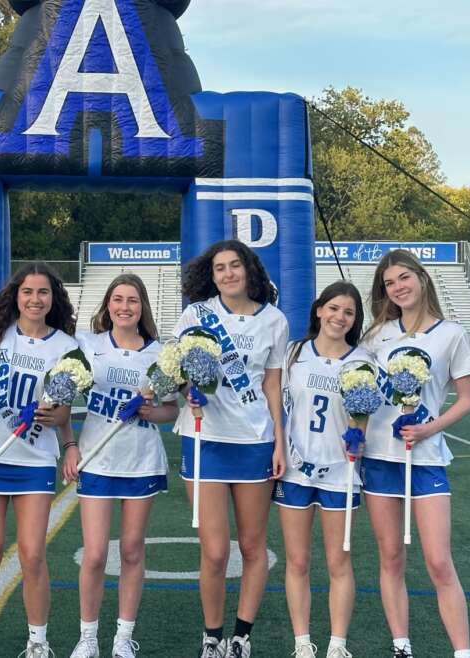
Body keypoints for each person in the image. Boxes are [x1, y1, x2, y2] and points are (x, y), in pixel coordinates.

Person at [359, 249, 470, 658]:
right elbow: (361, 392)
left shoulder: (452, 334)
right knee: (391, 556)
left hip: (426, 459)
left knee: (438, 561)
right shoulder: (376, 337)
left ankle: (463, 652)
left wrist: (429, 428)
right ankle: (401, 645)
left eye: (404, 278)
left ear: (422, 278)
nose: (398, 287)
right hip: (380, 458)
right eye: (389, 283)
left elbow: (466, 401)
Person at [175, 240, 289, 658]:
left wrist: (280, 440)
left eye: (235, 266)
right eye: (219, 268)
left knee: (252, 546)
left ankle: (241, 636)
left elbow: (273, 384)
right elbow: (178, 368)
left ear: (249, 270)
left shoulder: (274, 321)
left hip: (254, 439)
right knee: (215, 549)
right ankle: (211, 636)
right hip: (205, 439)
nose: (227, 274)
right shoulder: (196, 315)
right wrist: (188, 389)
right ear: (212, 274)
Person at [0, 263, 77, 658]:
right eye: (27, 291)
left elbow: (64, 412)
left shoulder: (65, 347)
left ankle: (37, 642)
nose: (34, 299)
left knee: (32, 554)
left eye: (43, 292)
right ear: (16, 295)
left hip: (34, 459)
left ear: (53, 299)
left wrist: (57, 422)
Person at [64, 274, 178, 658]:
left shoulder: (160, 354)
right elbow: (63, 393)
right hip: (97, 458)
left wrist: (149, 409)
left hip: (140, 460)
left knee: (131, 550)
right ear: (108, 305)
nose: (125, 307)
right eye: (118, 299)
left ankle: (123, 636)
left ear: (142, 306)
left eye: (132, 300)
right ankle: (87, 636)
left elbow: (170, 411)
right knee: (94, 554)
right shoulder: (88, 344)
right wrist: (70, 446)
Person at [274, 281, 371, 658]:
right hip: (296, 469)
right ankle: (302, 644)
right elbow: (278, 407)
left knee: (338, 560)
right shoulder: (294, 353)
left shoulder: (361, 360)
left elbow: (362, 417)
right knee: (297, 560)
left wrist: (358, 437)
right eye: (333, 308)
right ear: (318, 310)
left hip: (340, 471)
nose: (339, 317)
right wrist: (279, 450)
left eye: (348, 312)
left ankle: (337, 645)